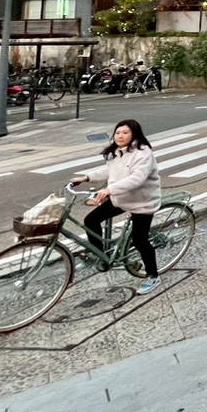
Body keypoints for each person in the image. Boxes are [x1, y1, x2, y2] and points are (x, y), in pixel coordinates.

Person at [72, 118, 163, 293]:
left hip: (142, 201)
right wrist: (87, 177)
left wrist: (109, 190)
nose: (120, 136)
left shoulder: (143, 153)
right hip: (121, 197)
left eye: (125, 133)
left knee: (140, 240)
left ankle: (153, 276)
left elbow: (137, 178)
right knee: (91, 220)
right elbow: (109, 171)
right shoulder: (117, 152)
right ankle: (101, 256)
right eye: (118, 132)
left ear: (134, 134)